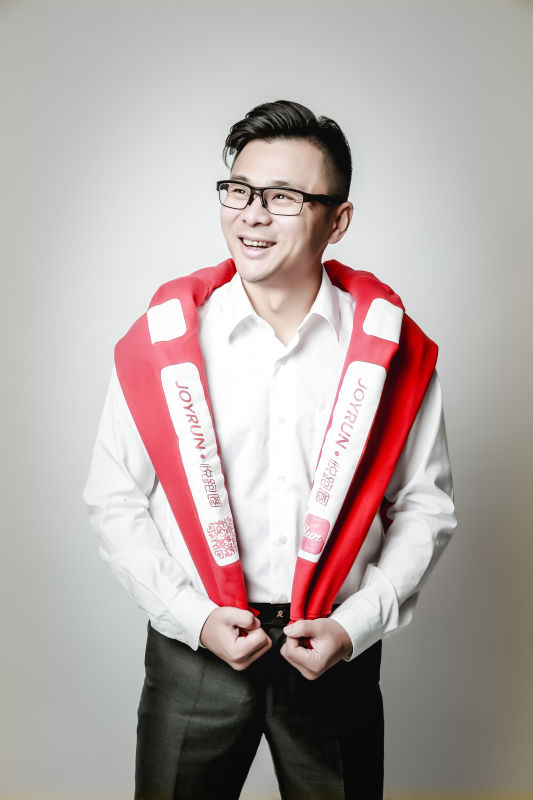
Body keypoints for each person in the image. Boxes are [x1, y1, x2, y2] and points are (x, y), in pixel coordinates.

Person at [84, 99, 456, 800]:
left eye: (283, 197)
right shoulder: (162, 344)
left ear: (337, 221)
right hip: (196, 648)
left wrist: (353, 626)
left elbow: (423, 506)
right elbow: (114, 499)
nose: (252, 215)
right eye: (239, 190)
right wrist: (193, 618)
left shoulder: (392, 352)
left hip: (332, 647)